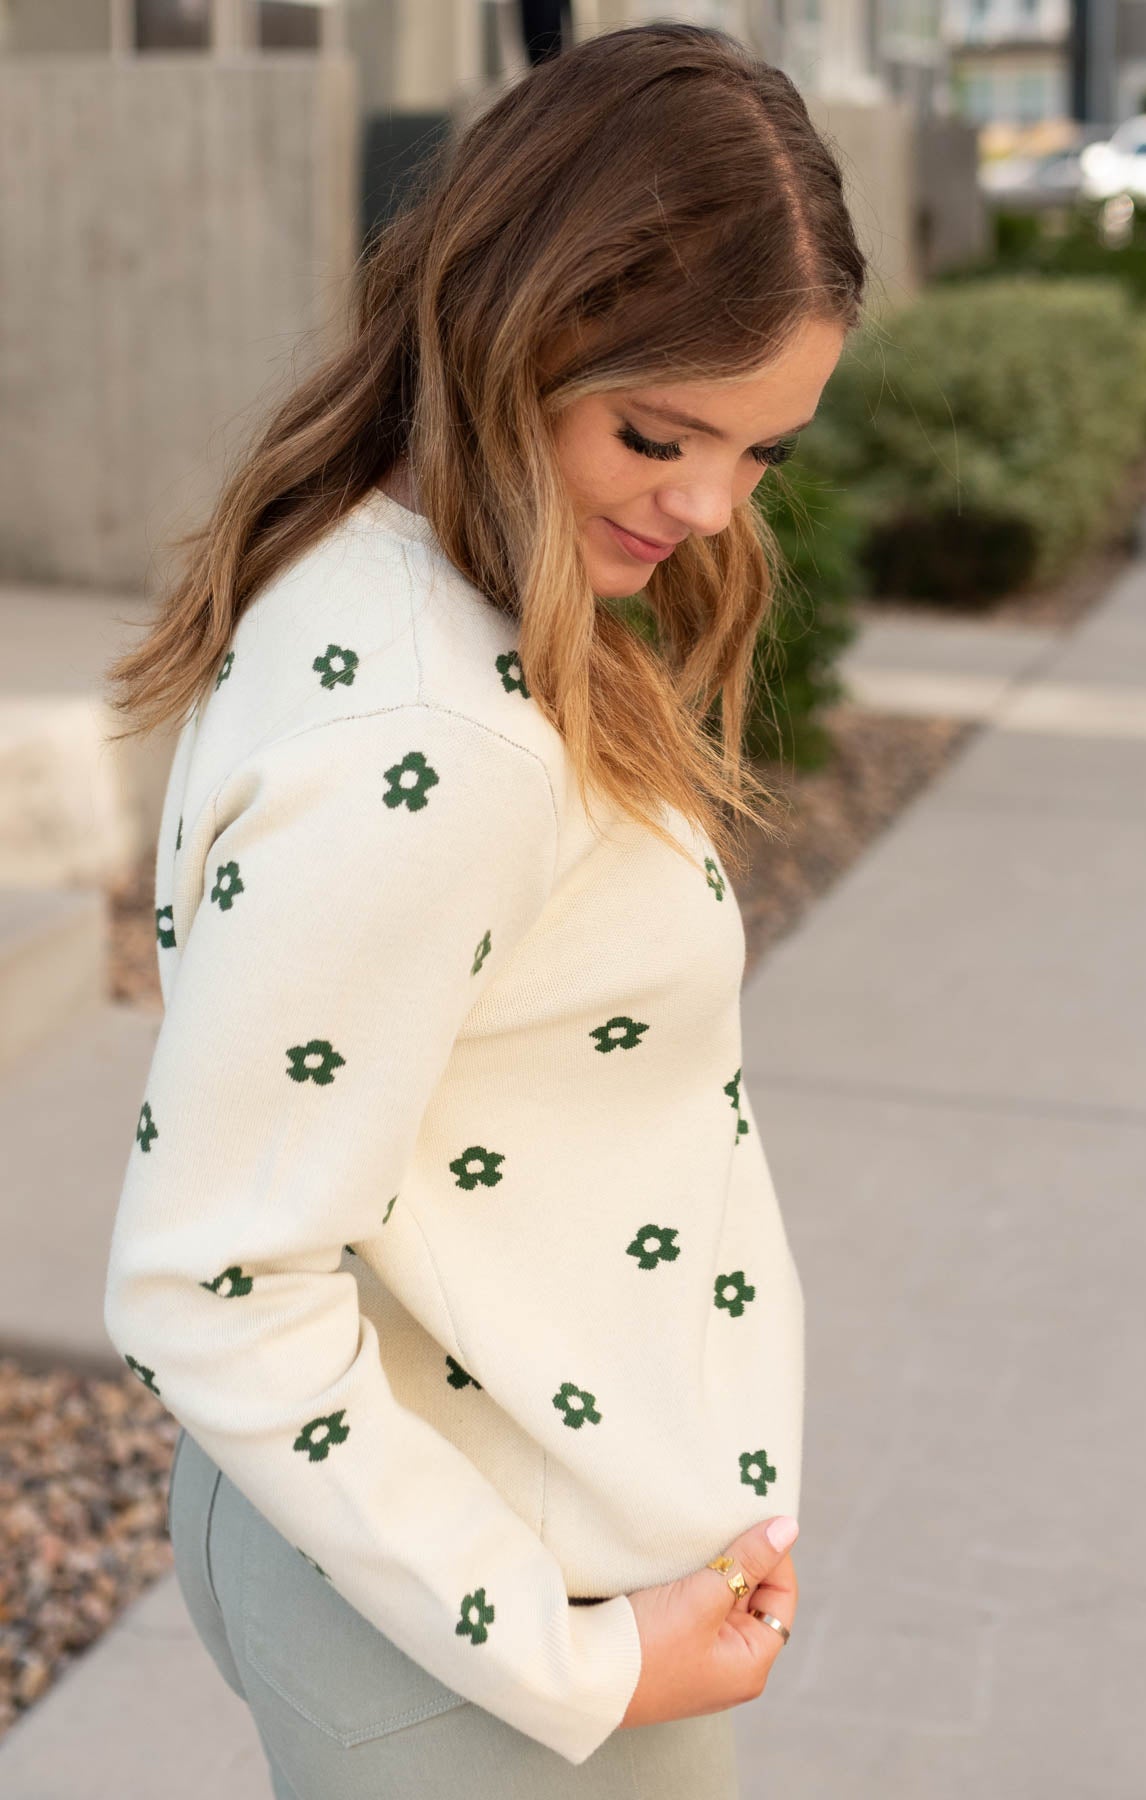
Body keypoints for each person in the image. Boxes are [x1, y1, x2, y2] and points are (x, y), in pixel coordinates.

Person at [101, 20, 866, 1798]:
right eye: (659, 431)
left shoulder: (401, 563)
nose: (706, 504)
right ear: (520, 319)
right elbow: (210, 1275)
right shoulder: (427, 742)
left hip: (470, 1571)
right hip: (474, 1634)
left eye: (762, 452)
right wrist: (574, 1655)